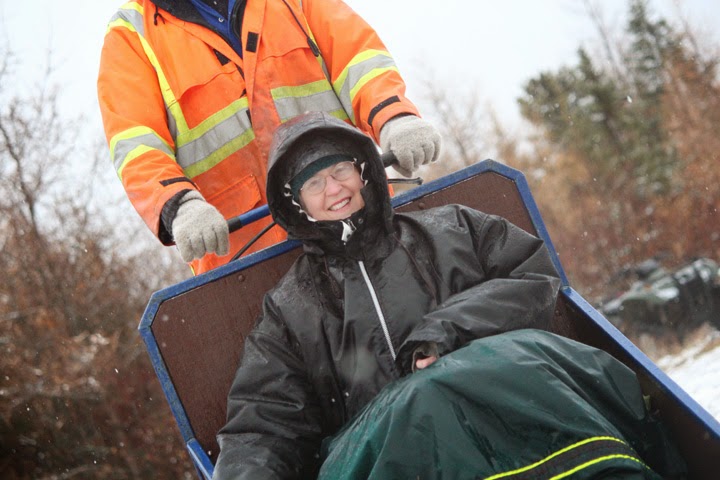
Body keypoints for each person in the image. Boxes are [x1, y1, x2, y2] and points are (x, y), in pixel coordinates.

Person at [212, 112, 686, 479]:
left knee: (467, 379)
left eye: (340, 171)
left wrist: (445, 332)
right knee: (423, 401)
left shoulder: (450, 228)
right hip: (393, 446)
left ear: (365, 173)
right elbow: (265, 419)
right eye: (313, 183)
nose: (333, 189)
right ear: (296, 203)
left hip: (504, 403)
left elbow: (531, 277)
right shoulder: (290, 307)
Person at [97, 0, 441, 275]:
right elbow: (137, 147)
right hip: (250, 268)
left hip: (359, 226)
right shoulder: (132, 35)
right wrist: (180, 206)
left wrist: (395, 117)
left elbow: (359, 61)